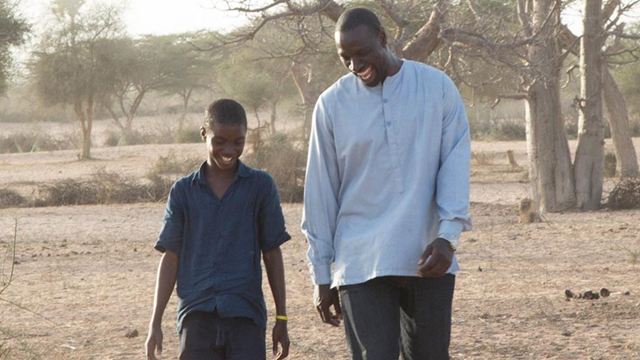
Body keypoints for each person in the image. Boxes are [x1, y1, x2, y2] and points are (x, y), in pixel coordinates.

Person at [301, 7, 471, 360]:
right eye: (344, 57)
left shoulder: (436, 87)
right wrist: (321, 274)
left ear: (383, 38)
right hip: (359, 260)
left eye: (361, 53)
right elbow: (320, 193)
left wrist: (448, 237)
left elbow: (455, 164)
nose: (354, 65)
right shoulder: (331, 105)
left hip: (428, 254)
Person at [145, 99, 291, 360]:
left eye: (238, 142)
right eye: (219, 140)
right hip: (196, 315)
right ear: (204, 133)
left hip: (245, 315)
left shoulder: (260, 186)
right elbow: (171, 256)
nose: (229, 149)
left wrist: (282, 317)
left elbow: (272, 252)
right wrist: (155, 322)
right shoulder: (183, 192)